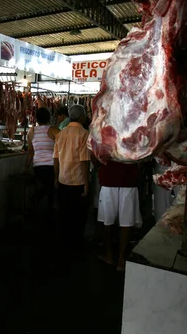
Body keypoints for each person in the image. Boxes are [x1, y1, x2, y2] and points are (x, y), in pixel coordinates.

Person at [53, 104, 90, 247]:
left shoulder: (60, 134)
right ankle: (76, 242)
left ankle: (65, 242)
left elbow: (55, 158)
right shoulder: (84, 134)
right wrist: (87, 183)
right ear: (81, 117)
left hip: (63, 180)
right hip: (78, 183)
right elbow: (84, 161)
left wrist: (56, 178)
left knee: (64, 214)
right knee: (78, 216)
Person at [95, 160, 142, 272]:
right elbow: (141, 158)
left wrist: (100, 166)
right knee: (126, 223)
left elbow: (94, 154)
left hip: (109, 179)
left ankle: (109, 256)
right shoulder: (134, 140)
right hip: (128, 180)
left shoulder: (103, 141)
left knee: (107, 221)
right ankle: (121, 260)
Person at [26, 107, 60, 212]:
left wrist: (27, 165)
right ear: (49, 118)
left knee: (49, 186)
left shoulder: (31, 132)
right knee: (52, 185)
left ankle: (47, 205)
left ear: (36, 118)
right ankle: (47, 205)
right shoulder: (53, 130)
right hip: (52, 166)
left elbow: (31, 151)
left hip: (38, 167)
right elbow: (64, 142)